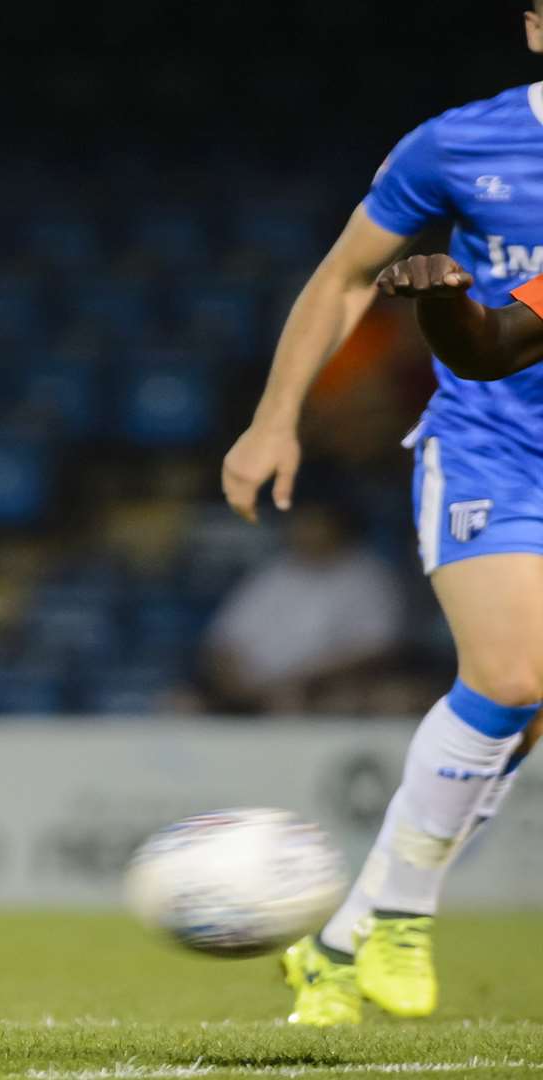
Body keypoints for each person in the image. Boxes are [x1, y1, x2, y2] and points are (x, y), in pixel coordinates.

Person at [220, 5, 543, 1025]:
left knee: (521, 721)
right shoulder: (459, 141)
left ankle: (341, 939)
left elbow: (497, 331)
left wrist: (454, 309)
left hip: (502, 366)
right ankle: (400, 915)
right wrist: (277, 420)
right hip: (498, 445)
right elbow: (366, 284)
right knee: (517, 674)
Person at [199, 499, 408, 714]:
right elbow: (223, 641)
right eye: (300, 523)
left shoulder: (367, 576)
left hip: (323, 688)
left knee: (320, 703)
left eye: (314, 524)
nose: (304, 531)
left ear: (337, 528)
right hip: (252, 689)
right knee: (183, 703)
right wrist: (236, 686)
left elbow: (376, 649)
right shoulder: (273, 572)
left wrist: (300, 681)